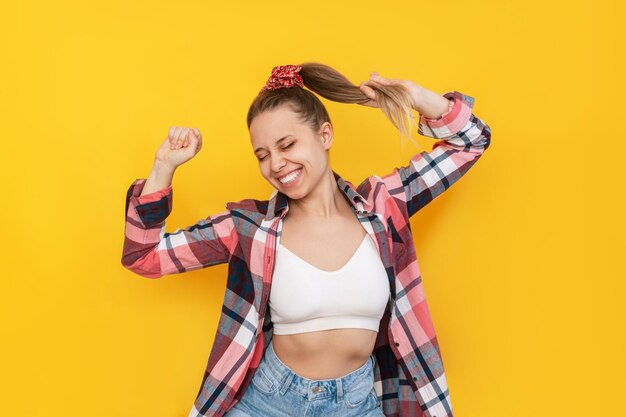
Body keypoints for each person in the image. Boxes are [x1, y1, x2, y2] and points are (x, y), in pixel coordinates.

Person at [121, 62, 491, 417]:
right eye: (262, 155)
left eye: (287, 145)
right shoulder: (251, 227)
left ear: (324, 134)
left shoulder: (384, 206)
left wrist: (411, 95)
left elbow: (472, 140)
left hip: (358, 404)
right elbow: (145, 255)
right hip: (267, 403)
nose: (276, 164)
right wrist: (163, 166)